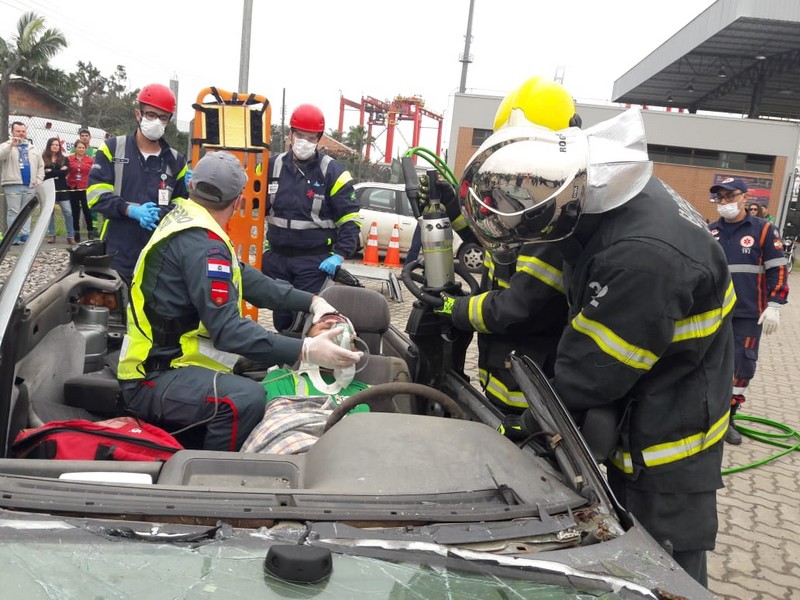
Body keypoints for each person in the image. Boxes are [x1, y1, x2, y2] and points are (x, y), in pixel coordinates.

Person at [458, 107, 734, 587]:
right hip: (652, 386)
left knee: (665, 563)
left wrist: (519, 434)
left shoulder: (641, 257)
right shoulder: (602, 188)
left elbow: (590, 373)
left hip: (671, 442)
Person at [117, 151, 361, 452]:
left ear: (194, 188)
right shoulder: (203, 244)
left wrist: (311, 301)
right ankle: (215, 474)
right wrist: (305, 349)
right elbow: (229, 332)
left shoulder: (189, 221)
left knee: (262, 361)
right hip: (154, 375)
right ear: (238, 202)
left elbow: (244, 277)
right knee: (246, 398)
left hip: (166, 360)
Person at [432, 76, 575, 432]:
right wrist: (451, 209)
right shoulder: (530, 205)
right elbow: (495, 247)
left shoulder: (557, 219)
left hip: (531, 398)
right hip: (503, 377)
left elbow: (517, 307)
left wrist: (457, 309)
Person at [261, 103, 361, 331]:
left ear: (319, 139)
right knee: (282, 318)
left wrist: (339, 255)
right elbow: (250, 197)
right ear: (290, 134)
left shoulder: (332, 172)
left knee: (305, 318)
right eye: (300, 135)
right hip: (277, 259)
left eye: (311, 137)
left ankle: (304, 356)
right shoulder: (271, 166)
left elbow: (350, 218)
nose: (304, 141)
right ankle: (287, 356)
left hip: (313, 263)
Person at [708, 177, 788, 445]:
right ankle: (705, 416)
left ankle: (728, 419)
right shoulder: (710, 232)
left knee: (740, 367)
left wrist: (775, 304)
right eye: (720, 198)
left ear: (744, 196)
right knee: (707, 364)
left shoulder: (763, 230)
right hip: (713, 313)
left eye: (730, 197)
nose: (725, 203)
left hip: (746, 314)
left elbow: (778, 268)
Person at [86, 83, 188, 287]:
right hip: (117, 248)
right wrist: (129, 210)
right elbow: (95, 195)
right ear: (138, 114)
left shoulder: (176, 161)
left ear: (169, 120)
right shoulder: (112, 149)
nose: (157, 121)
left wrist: (161, 214)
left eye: (163, 117)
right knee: (117, 309)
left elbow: (181, 204)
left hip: (158, 251)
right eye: (151, 114)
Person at [241, 312, 370, 454]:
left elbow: (360, 441)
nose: (334, 327)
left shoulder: (364, 392)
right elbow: (272, 428)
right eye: (325, 328)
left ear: (354, 348)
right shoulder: (280, 379)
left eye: (344, 333)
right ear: (307, 340)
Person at [0, 122, 44, 244]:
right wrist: (11, 145)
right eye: (18, 131)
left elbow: (41, 166)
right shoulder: (6, 145)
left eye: (23, 131)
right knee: (13, 211)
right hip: (12, 184)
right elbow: (1, 156)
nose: (21, 133)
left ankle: (25, 234)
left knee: (27, 210)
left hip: (30, 185)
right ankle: (13, 236)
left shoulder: (33, 148)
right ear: (12, 132)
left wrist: (39, 180)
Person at [41, 137, 75, 244]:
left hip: (62, 189)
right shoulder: (42, 158)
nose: (55, 146)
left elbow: (64, 173)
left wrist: (51, 171)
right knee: (50, 213)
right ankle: (52, 235)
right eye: (53, 144)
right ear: (49, 146)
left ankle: (70, 236)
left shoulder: (64, 159)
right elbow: (43, 173)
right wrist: (58, 171)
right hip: (49, 189)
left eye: (57, 145)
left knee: (68, 212)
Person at [66, 139, 97, 242]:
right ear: (75, 148)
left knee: (87, 210)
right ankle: (76, 232)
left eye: (83, 148)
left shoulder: (90, 160)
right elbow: (66, 170)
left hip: (85, 187)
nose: (81, 149)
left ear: (86, 149)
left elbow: (94, 172)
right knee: (75, 211)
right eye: (79, 147)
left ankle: (90, 231)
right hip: (73, 187)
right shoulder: (69, 159)